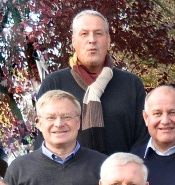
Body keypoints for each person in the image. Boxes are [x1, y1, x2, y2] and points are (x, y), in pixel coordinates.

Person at [36, 9, 148, 154]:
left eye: (98, 33)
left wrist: (127, 171)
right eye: (84, 34)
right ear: (73, 41)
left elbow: (143, 139)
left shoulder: (131, 84)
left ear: (108, 41)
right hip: (68, 173)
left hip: (122, 174)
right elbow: (43, 140)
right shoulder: (54, 84)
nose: (92, 40)